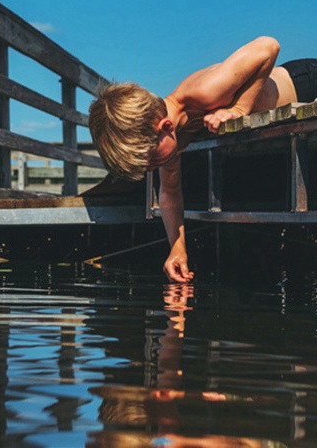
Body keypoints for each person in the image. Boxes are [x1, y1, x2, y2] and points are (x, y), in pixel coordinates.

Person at [88, 36, 317, 282]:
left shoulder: (205, 92)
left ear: (165, 127)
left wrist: (239, 109)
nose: (150, 168)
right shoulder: (173, 135)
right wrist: (177, 249)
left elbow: (268, 46)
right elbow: (170, 192)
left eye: (151, 161)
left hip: (306, 82)